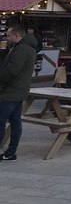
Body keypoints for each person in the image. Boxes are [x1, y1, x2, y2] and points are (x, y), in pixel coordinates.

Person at [0, 27, 37, 161]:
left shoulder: (21, 49)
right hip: (19, 90)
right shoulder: (27, 47)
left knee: (1, 120)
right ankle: (11, 152)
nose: (6, 38)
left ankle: (9, 151)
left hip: (11, 90)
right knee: (15, 121)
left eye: (8, 36)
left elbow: (12, 71)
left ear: (16, 35)